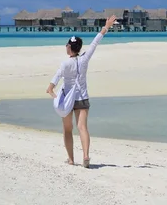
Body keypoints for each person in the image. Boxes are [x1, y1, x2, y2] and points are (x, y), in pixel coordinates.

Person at [46, 15, 117, 168]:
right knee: (82, 127)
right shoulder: (84, 59)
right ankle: (85, 156)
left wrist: (55, 96)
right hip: (82, 97)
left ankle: (71, 160)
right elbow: (95, 43)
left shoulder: (64, 64)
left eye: (67, 45)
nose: (66, 47)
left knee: (67, 129)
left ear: (69, 48)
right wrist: (107, 26)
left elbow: (53, 83)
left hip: (67, 100)